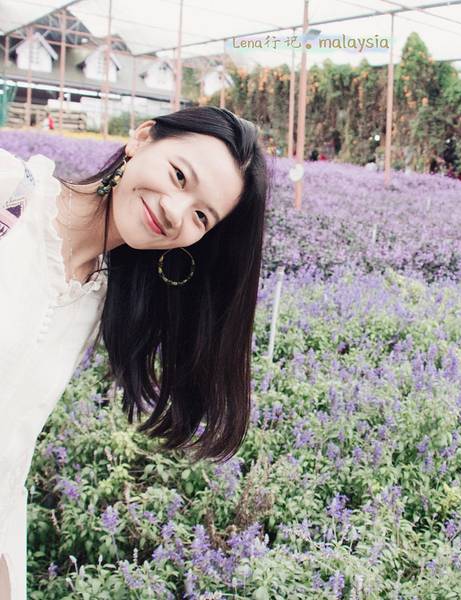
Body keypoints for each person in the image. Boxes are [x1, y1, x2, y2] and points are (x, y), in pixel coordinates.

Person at [0, 105, 269, 599]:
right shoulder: (10, 194)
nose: (175, 211)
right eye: (179, 175)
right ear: (142, 138)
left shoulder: (98, 295)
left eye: (201, 216)